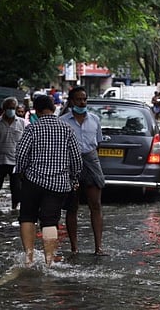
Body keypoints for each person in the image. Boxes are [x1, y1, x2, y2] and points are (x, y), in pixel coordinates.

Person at [15, 95, 82, 267]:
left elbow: (21, 154)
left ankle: (29, 259)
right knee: (50, 220)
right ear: (53, 109)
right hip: (59, 184)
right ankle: (49, 261)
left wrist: (21, 172)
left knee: (27, 217)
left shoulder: (32, 129)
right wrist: (73, 178)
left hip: (33, 181)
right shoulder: (67, 129)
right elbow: (76, 159)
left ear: (36, 111)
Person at [60, 86, 106, 256]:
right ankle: (74, 248)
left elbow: (98, 143)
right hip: (70, 162)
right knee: (72, 206)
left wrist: (91, 159)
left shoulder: (94, 119)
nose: (82, 102)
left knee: (96, 204)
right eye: (79, 99)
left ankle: (98, 247)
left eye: (84, 99)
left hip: (91, 160)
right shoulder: (63, 121)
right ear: (71, 101)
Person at [0, 97, 26, 208]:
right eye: (9, 108)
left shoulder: (22, 123)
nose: (11, 110)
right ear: (3, 109)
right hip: (0, 160)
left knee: (16, 187)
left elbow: (26, 143)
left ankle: (14, 206)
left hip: (16, 161)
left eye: (13, 108)